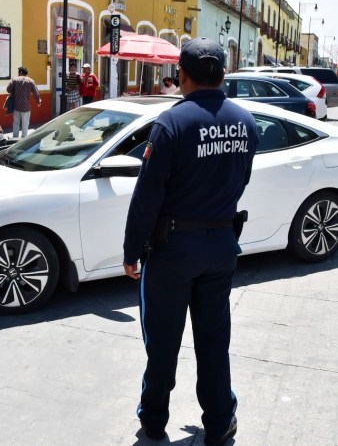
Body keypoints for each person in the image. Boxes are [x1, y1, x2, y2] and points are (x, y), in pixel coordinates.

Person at [123, 37, 259, 445]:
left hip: (173, 251)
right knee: (214, 341)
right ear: (223, 75)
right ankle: (219, 423)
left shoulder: (172, 124)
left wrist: (131, 250)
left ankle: (153, 421)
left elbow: (147, 196)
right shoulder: (246, 122)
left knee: (162, 343)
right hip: (221, 246)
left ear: (181, 74)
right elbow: (240, 179)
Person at [6, 66, 42, 138]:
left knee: (16, 122)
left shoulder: (15, 80)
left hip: (16, 106)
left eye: (18, 72)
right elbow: (36, 92)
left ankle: (15, 137)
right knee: (25, 123)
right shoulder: (31, 81)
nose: (18, 73)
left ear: (21, 72)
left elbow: (8, 89)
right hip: (26, 106)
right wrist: (38, 101)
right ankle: (24, 137)